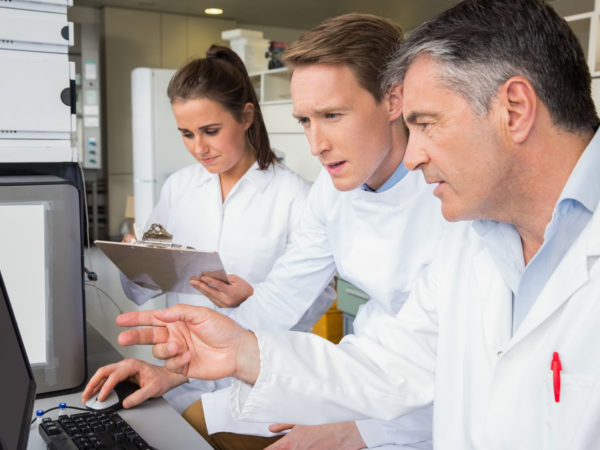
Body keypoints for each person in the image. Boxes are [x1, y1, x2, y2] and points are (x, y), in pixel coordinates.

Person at [113, 0, 600, 448]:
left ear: (514, 109)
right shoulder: (479, 234)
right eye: (305, 120)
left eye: (426, 123)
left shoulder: (463, 212)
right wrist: (232, 352)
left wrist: (360, 431)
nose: (414, 152)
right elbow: (396, 359)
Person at [83, 14, 449, 450]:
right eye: (305, 122)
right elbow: (279, 299)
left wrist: (367, 432)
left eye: (332, 115)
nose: (316, 145)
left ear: (394, 101)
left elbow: (439, 364)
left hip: (424, 409)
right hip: (363, 380)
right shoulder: (331, 196)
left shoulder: (449, 200)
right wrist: (179, 368)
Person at [115, 45, 329, 415]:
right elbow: (140, 290)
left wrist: (253, 297)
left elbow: (319, 296)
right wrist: (136, 261)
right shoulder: (179, 188)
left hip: (258, 388)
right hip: (180, 377)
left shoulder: (295, 197)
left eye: (210, 131)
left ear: (246, 117)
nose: (199, 148)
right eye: (186, 134)